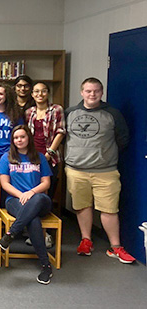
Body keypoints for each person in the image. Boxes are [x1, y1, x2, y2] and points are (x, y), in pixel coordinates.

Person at [65, 77, 135, 263]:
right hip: (76, 170)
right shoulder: (70, 113)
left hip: (106, 171)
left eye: (96, 91)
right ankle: (86, 240)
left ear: (101, 93)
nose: (92, 94)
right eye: (88, 91)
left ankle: (116, 247)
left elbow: (123, 139)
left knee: (110, 209)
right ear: (82, 93)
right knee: (82, 206)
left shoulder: (112, 114)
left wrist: (104, 155)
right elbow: (63, 137)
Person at [0, 125, 54, 284]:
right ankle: (45, 265)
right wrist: (22, 195)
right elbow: (5, 184)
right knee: (32, 220)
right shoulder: (6, 158)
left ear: (28, 138)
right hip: (15, 200)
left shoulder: (39, 157)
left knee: (39, 199)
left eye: (22, 137)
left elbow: (46, 183)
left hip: (39, 200)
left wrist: (31, 193)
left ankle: (10, 234)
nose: (19, 140)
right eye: (16, 138)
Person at [25, 82, 65, 198]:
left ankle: (48, 213)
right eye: (36, 91)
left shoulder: (57, 109)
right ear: (32, 94)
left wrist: (49, 153)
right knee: (34, 187)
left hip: (50, 156)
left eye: (43, 91)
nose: (40, 94)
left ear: (48, 93)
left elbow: (60, 132)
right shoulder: (29, 112)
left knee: (49, 188)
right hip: (32, 156)